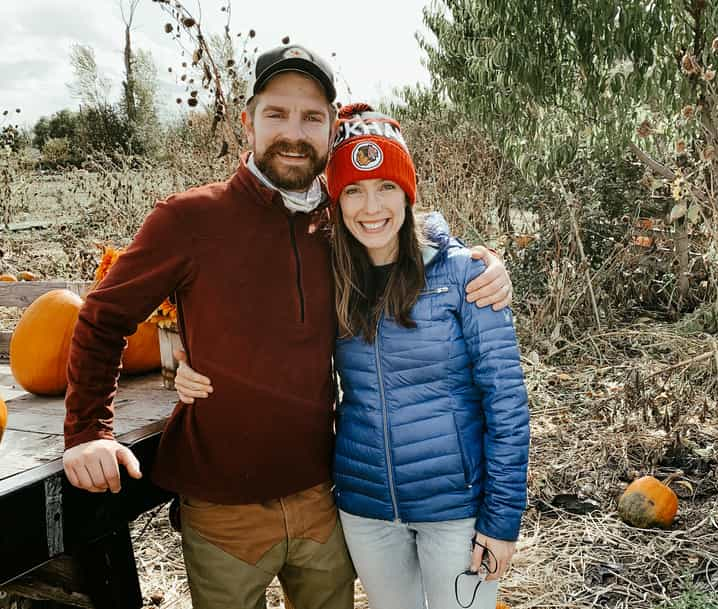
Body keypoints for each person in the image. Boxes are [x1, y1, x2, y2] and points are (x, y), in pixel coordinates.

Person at [61, 44, 513, 609]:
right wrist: (86, 431)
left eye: (312, 118)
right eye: (276, 114)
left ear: (330, 129)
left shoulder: (342, 223)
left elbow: (407, 226)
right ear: (247, 121)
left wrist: (479, 258)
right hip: (225, 507)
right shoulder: (190, 220)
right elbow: (103, 317)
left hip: (325, 495)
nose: (293, 133)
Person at [175, 103, 530, 609]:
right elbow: (254, 325)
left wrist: (501, 521)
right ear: (335, 201)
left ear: (408, 194)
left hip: (456, 509)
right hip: (365, 511)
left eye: (386, 186)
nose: (371, 207)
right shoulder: (332, 278)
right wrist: (184, 361)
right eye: (354, 191)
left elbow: (508, 406)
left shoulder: (464, 278)